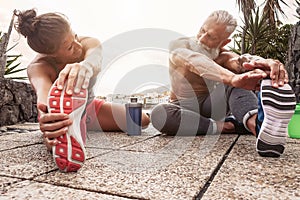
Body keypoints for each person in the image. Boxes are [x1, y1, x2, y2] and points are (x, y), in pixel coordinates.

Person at [14, 9, 150, 172]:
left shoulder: (89, 42)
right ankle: (63, 132)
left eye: (75, 37)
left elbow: (95, 59)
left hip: (92, 108)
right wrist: (47, 119)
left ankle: (79, 123)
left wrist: (85, 66)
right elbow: (44, 97)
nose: (79, 46)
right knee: (53, 131)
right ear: (51, 55)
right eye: (70, 47)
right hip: (64, 118)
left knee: (142, 120)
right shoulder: (38, 67)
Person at [150, 10, 296, 157]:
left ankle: (258, 127)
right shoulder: (180, 46)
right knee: (159, 114)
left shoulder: (222, 55)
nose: (201, 38)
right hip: (181, 106)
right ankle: (231, 126)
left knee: (239, 81)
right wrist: (231, 78)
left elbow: (242, 61)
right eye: (202, 30)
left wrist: (265, 63)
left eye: (211, 37)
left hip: (210, 105)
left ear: (224, 42)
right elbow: (194, 60)